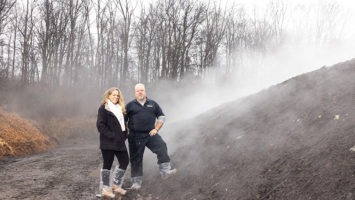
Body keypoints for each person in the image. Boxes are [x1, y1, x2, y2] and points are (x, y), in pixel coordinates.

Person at [125, 83, 176, 190]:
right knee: (136, 158)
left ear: (145, 91)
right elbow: (123, 121)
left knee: (161, 146)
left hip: (150, 133)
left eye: (142, 90)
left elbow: (162, 116)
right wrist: (126, 132)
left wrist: (156, 129)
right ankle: (136, 183)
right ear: (135, 93)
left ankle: (165, 171)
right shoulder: (129, 105)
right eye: (138, 90)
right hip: (135, 136)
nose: (140, 92)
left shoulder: (153, 104)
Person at [96, 87, 129, 198]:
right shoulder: (104, 108)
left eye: (117, 95)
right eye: (113, 95)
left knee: (125, 161)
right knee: (107, 164)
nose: (116, 97)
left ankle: (115, 184)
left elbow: (123, 125)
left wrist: (124, 135)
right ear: (108, 96)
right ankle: (105, 189)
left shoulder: (121, 109)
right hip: (108, 142)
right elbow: (100, 125)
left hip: (119, 142)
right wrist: (112, 136)